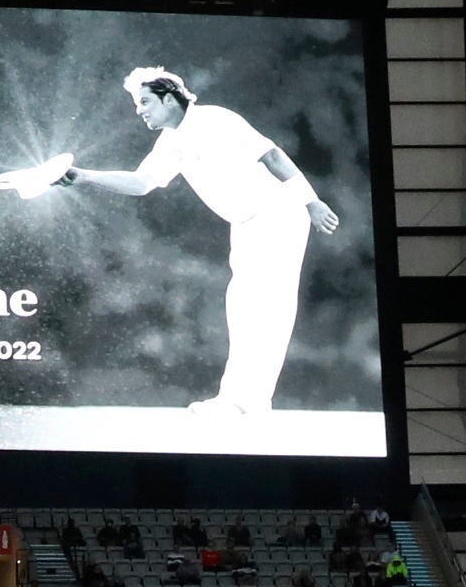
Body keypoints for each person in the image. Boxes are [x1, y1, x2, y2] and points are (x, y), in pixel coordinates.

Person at [25, 67, 341, 413]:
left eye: (144, 101)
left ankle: (243, 402)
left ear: (169, 97)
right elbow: (141, 182)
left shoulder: (217, 120)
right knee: (242, 307)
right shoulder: (171, 142)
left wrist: (312, 202)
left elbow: (273, 156)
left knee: (264, 307)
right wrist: (82, 176)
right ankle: (244, 401)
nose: (139, 110)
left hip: (279, 214)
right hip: (248, 223)